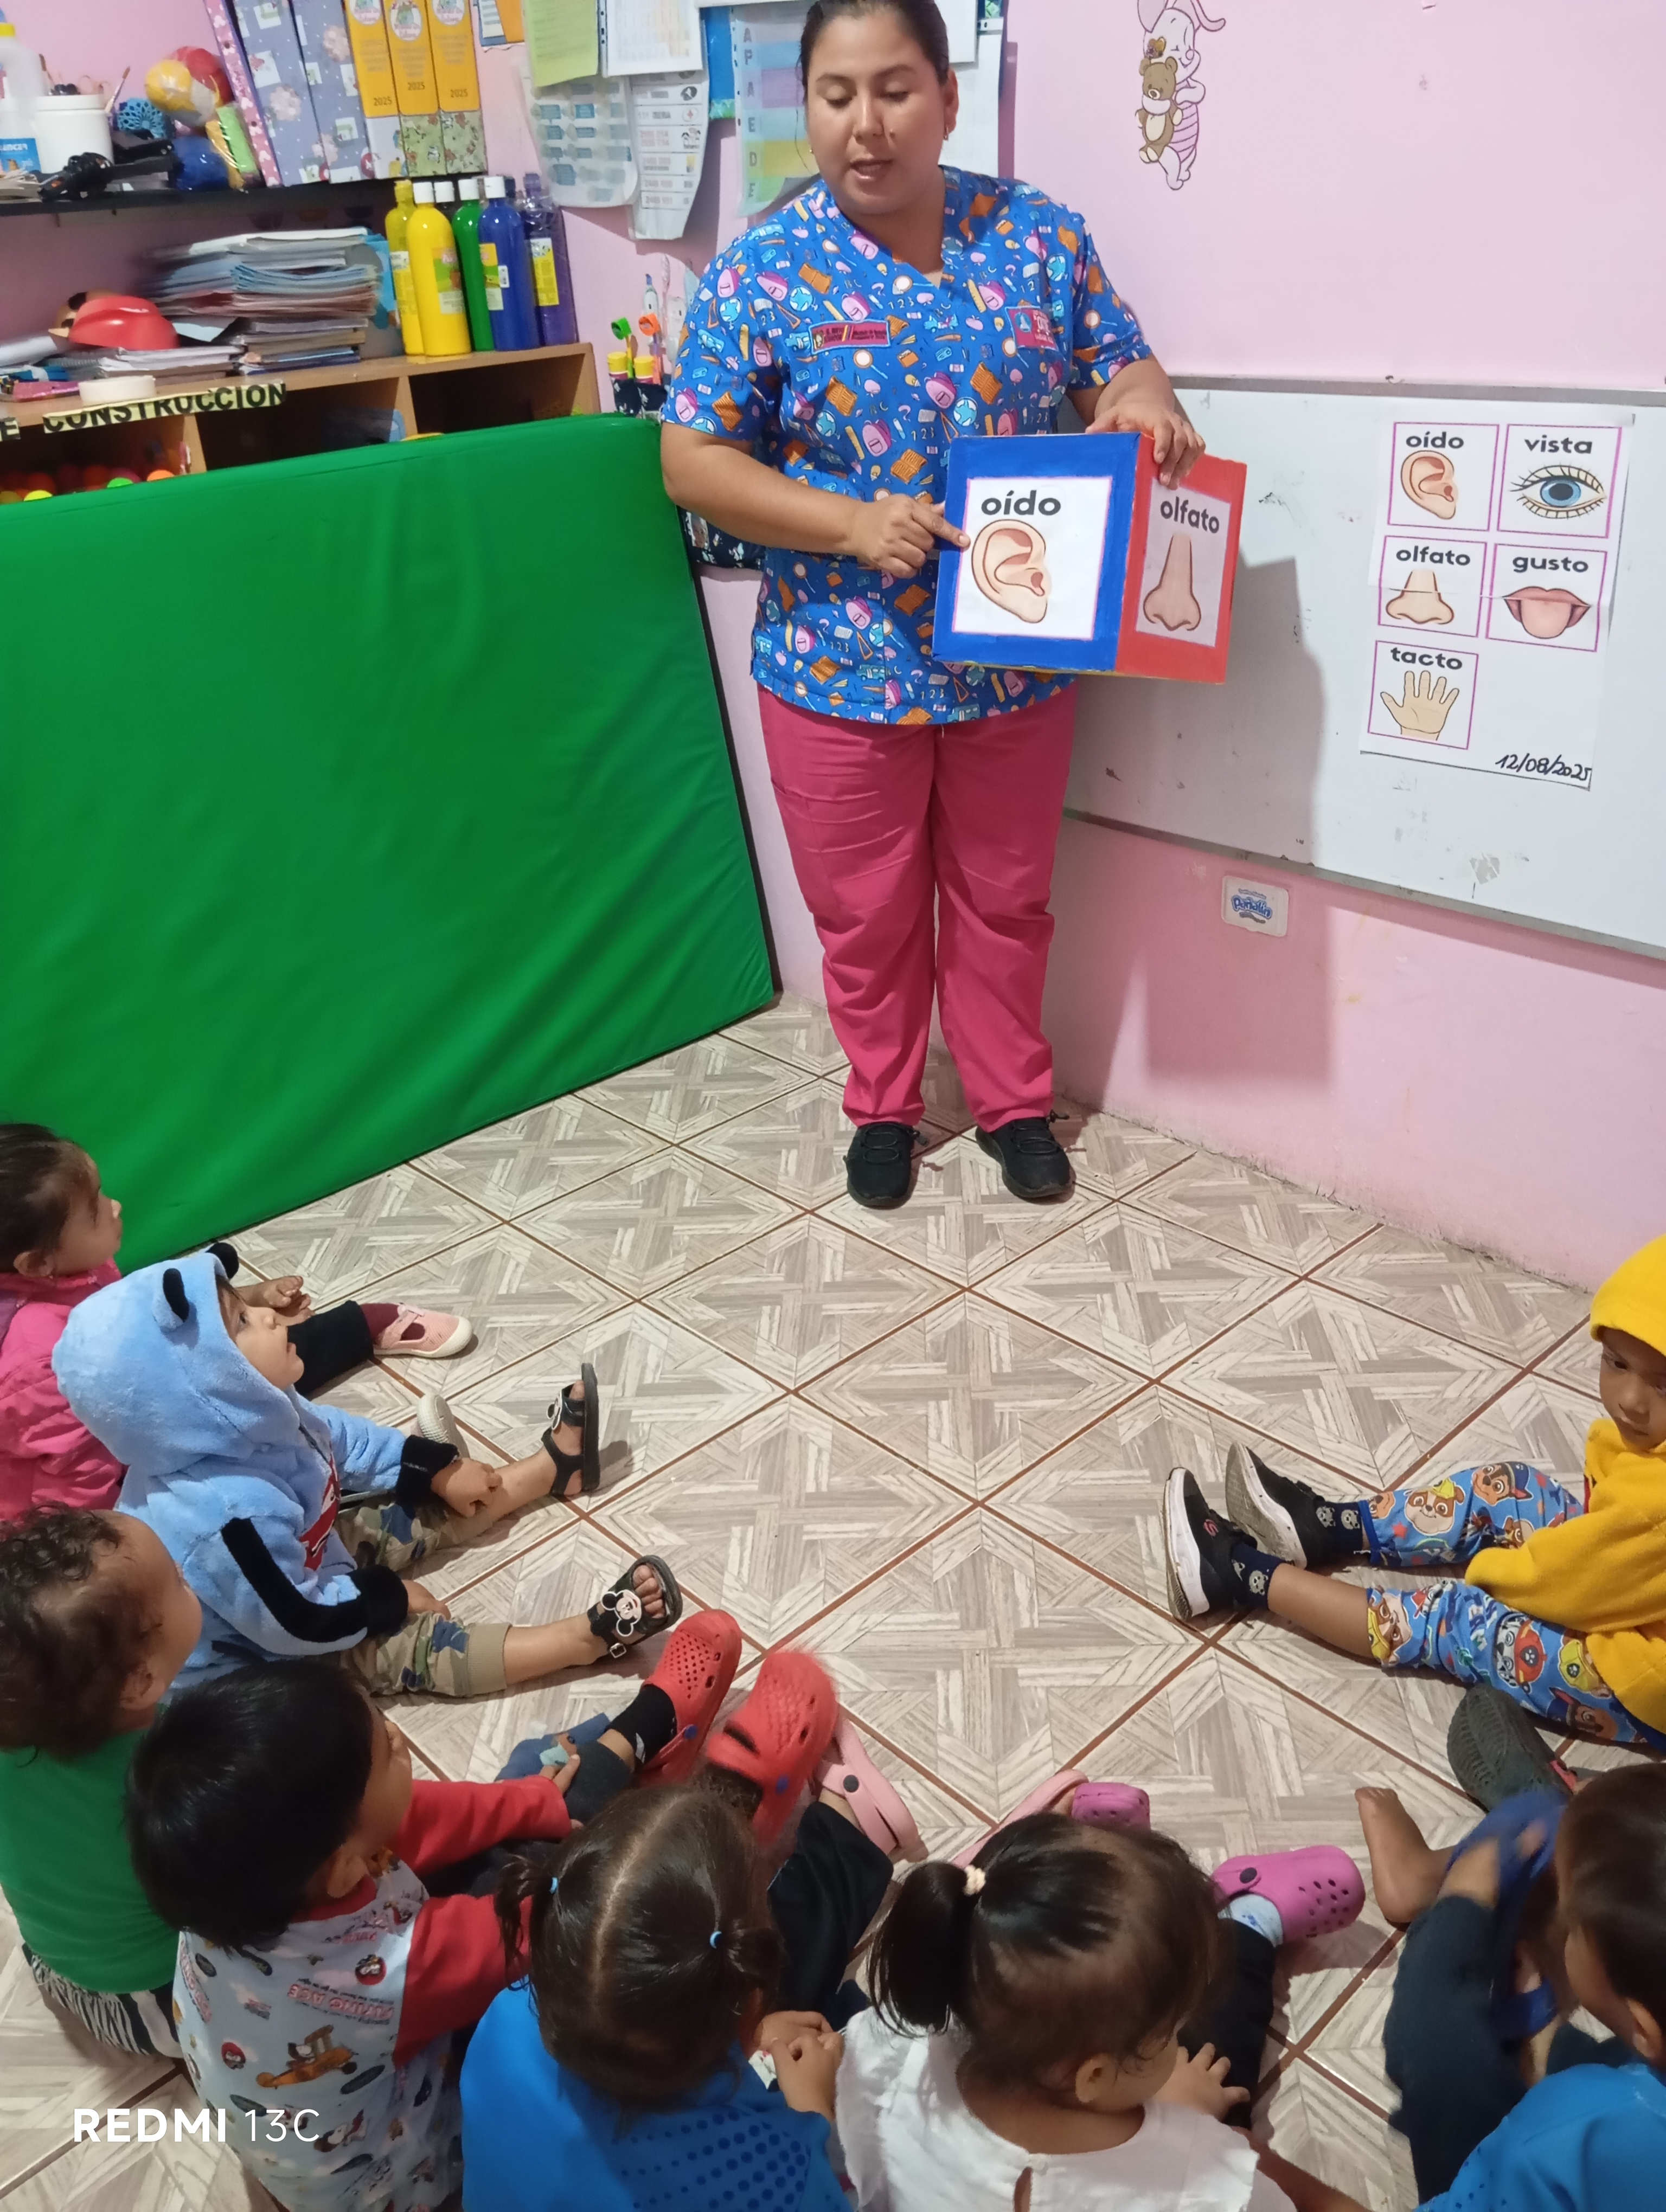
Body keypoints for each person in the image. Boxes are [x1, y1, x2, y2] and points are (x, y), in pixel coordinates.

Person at [661, 0, 1203, 1211]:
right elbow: (692, 462)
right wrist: (850, 524)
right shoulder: (762, 270)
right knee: (864, 914)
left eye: (895, 90)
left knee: (1006, 899)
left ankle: (1012, 1103)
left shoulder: (1038, 238)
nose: (866, 125)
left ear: (948, 99)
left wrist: (1143, 403)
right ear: (807, 107)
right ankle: (885, 1106)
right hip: (834, 665)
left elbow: (1117, 364)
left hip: (1016, 651)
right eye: (836, 95)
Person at [52, 1249, 675, 1696]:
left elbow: (339, 1439)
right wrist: (388, 1598)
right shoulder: (222, 1517)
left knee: (406, 1510)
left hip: (303, 1558)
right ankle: (583, 1640)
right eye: (240, 1323)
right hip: (268, 1656)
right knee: (414, 1649)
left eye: (244, 1307)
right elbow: (300, 1622)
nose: (266, 1316)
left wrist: (434, 1470)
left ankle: (552, 1471)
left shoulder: (255, 1410)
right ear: (193, 1396)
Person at [1161, 1231, 1666, 1751]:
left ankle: (1237, 1574)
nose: (1630, 1400)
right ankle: (1324, 1528)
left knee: (1457, 1619)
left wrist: (1492, 1576)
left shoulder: (1655, 1507)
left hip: (1638, 1679)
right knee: (1510, 1489)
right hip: (1633, 1591)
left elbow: (1564, 1586)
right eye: (1616, 1363)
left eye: (1664, 1384)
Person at [127, 1660, 577, 2212]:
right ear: (345, 1869)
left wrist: (532, 1801)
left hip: (289, 2126)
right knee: (542, 2025)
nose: (397, 1733)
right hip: (386, 2178)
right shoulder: (388, 1971)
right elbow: (532, 1930)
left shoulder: (223, 1887)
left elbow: (415, 1819)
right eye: (385, 1752)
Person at [459, 1696, 920, 2212]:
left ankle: (849, 1845)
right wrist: (812, 2112)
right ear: (752, 2004)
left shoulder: (505, 2020)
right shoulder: (781, 2176)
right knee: (875, 2051)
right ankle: (850, 1853)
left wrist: (752, 2038)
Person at [837, 1808, 1370, 2210]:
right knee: (1217, 2052)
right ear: (1092, 2075)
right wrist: (1192, 2128)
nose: (1177, 2035)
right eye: (1170, 2031)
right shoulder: (1198, 2176)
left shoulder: (893, 2051)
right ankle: (1249, 1923)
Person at [0, 1122, 469, 1522]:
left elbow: (175, 1322)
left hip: (154, 1408)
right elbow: (85, 1483)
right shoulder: (35, 1365)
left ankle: (360, 1328)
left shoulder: (75, 1267)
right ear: (36, 1263)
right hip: (110, 1486)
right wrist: (133, 1555)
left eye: (101, 1193)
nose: (115, 1206)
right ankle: (401, 1495)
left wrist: (250, 1298)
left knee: (258, 1351)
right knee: (249, 1490)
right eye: (95, 1210)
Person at [1367, 1767, 1666, 2209]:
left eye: (1574, 1927)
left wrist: (1459, 1908)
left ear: (1643, 2026)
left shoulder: (1562, 2137)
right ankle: (1543, 2049)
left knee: (1434, 2042)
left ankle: (1442, 1887)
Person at [0, 1508, 204, 2055]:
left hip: (57, 1966)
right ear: (140, 1680)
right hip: (158, 2005)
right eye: (179, 1582)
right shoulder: (174, 1780)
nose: (187, 1577)